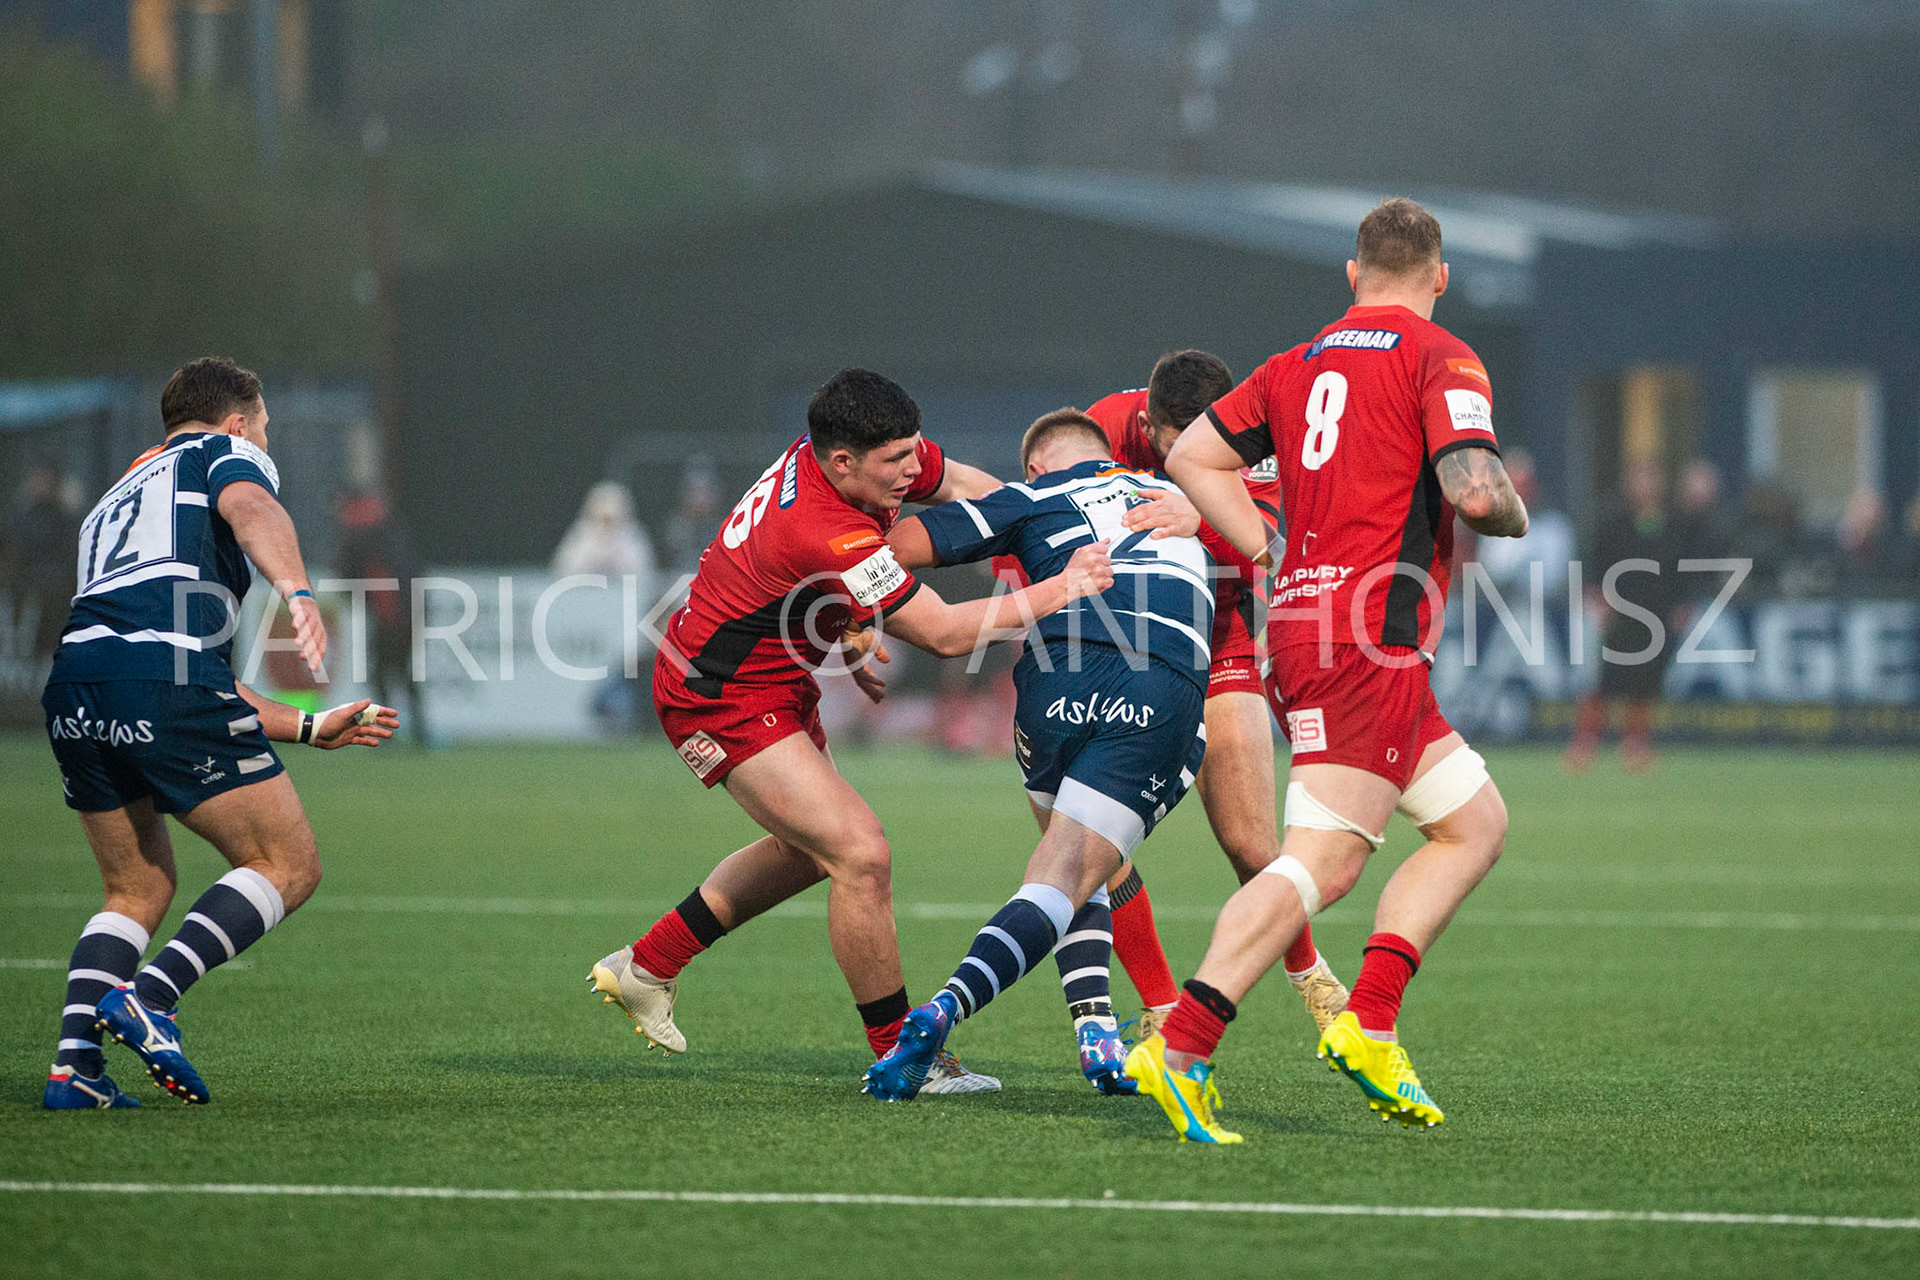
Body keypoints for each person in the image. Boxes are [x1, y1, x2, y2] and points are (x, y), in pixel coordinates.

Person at [589, 369, 1112, 1093]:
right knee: (860, 855)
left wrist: (1051, 518)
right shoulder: (824, 528)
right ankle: (906, 1055)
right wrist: (1066, 580)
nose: (911, 471)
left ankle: (646, 966)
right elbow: (948, 635)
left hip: (771, 675)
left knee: (811, 852)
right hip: (715, 695)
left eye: (911, 453)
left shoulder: (862, 460)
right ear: (843, 462)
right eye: (897, 462)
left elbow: (964, 483)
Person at [1136, 197, 1527, 1141]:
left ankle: (1372, 1023)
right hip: (1370, 640)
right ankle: (1181, 1044)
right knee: (1322, 863)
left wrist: (1264, 544)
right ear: (1438, 278)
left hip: (1307, 631)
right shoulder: (1444, 357)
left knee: (1474, 824)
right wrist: (1511, 515)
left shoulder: (1292, 365)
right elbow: (1474, 491)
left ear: (1353, 275)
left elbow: (1191, 455)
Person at [39, 357, 398, 1109]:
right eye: (263, 427)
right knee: (286, 863)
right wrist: (297, 587)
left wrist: (305, 723)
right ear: (237, 421)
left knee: (135, 886)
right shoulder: (223, 453)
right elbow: (252, 509)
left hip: (75, 684)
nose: (264, 443)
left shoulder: (115, 499)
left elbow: (184, 665)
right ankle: (153, 997)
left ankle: (76, 1070)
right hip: (159, 678)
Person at [863, 409, 1216, 1100]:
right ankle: (949, 1008)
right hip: (1157, 674)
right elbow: (1273, 541)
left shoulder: (1030, 496)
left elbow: (897, 546)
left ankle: (1091, 1027)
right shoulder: (1179, 497)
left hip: (1052, 680)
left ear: (1036, 466)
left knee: (1063, 861)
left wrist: (851, 617)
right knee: (1078, 863)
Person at [1081, 352, 1349, 1043]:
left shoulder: (1252, 439)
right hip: (1127, 648)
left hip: (1222, 641)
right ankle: (1163, 1006)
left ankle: (1311, 973)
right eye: (1182, 445)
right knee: (1097, 840)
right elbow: (1044, 515)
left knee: (1251, 844)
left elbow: (1267, 550)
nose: (1205, 453)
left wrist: (1197, 515)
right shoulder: (1106, 428)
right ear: (1147, 424)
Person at [1565, 459, 1686, 775]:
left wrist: (1681, 604)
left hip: (1657, 613)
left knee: (1646, 680)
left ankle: (1636, 744)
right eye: (1640, 479)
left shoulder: (1673, 522)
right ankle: (1584, 743)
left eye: (1652, 478)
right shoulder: (1612, 519)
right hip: (1619, 611)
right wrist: (1597, 597)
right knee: (1604, 680)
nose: (1646, 486)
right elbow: (1593, 560)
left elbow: (1681, 570)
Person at [335, 488, 425, 742]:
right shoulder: (385, 538)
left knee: (389, 674)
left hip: (396, 619)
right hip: (391, 619)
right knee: (395, 674)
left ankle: (400, 731)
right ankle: (412, 731)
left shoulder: (379, 539)